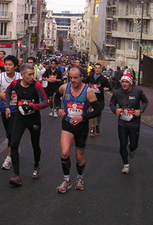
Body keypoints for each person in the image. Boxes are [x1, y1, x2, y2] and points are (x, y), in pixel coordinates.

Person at [54, 66, 103, 194]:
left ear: (82, 77)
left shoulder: (88, 92)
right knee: (65, 153)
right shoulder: (65, 87)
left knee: (79, 156)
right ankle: (66, 179)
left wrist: (83, 117)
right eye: (71, 78)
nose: (73, 80)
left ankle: (80, 178)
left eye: (76, 78)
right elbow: (56, 96)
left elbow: (98, 110)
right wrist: (58, 108)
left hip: (81, 127)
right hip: (67, 124)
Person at [5, 63, 49, 185]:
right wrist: (8, 107)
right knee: (13, 144)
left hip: (33, 119)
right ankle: (16, 175)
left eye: (33, 74)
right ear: (23, 75)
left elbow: (46, 102)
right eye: (29, 75)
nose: (32, 77)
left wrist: (32, 107)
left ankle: (36, 166)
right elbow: (7, 92)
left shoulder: (36, 85)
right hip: (20, 118)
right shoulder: (16, 84)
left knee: (35, 145)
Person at [109, 73, 148, 174]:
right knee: (122, 144)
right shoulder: (117, 92)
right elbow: (112, 103)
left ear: (130, 83)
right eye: (123, 82)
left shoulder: (137, 91)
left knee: (133, 145)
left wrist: (141, 110)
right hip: (122, 123)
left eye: (127, 82)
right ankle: (126, 165)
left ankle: (132, 148)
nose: (124, 84)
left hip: (134, 123)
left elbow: (145, 102)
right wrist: (115, 110)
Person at [0, 55, 22, 170]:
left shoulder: (19, 77)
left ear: (15, 66)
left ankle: (9, 157)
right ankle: (14, 147)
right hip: (5, 108)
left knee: (12, 132)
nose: (7, 67)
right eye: (6, 65)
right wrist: (1, 95)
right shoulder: (0, 77)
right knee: (9, 133)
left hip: (17, 108)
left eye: (10, 65)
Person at [86, 63, 111, 137]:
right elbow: (86, 84)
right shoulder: (90, 77)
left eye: (98, 68)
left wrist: (104, 89)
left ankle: (97, 125)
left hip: (100, 99)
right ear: (94, 68)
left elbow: (109, 87)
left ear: (100, 69)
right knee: (92, 112)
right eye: (96, 68)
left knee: (98, 113)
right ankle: (92, 127)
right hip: (91, 98)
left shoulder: (103, 79)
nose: (97, 70)